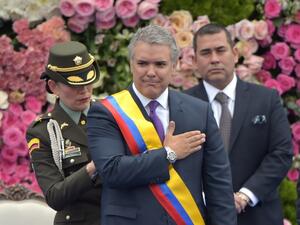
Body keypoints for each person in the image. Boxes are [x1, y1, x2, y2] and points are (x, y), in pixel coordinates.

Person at [87, 24, 237, 225]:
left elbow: (219, 186)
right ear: (131, 64)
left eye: (159, 64)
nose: (150, 72)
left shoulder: (199, 111)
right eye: (142, 63)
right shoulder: (106, 112)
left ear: (174, 65)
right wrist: (168, 154)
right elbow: (112, 171)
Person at [185, 23, 293, 225]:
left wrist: (244, 196)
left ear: (235, 54)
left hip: (259, 215)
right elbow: (177, 164)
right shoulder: (181, 105)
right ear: (195, 60)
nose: (214, 59)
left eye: (220, 50)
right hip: (202, 216)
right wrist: (212, 199)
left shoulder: (266, 99)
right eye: (206, 53)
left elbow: (281, 153)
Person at [26, 41, 102, 225]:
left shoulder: (112, 114)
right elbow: (54, 196)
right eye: (74, 85)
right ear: (53, 86)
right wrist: (93, 167)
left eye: (87, 82)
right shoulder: (44, 131)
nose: (84, 91)